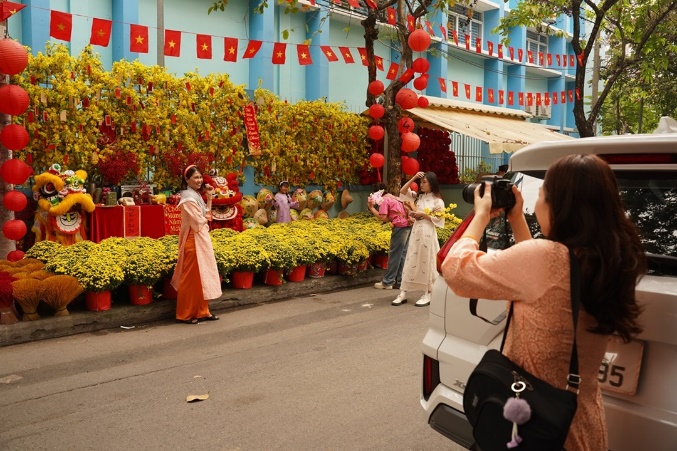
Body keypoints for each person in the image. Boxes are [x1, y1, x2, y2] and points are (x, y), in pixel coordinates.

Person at [441, 154, 646, 450]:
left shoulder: (547, 259)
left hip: (538, 422)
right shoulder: (611, 257)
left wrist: (480, 216)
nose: (537, 204)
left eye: (543, 195)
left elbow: (456, 269)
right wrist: (517, 219)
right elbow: (545, 284)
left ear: (559, 205)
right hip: (579, 417)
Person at [171, 165, 223, 324]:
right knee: (189, 279)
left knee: (202, 277)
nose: (199, 180)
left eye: (200, 177)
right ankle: (184, 314)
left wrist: (209, 197)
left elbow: (207, 215)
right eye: (195, 178)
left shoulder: (195, 195)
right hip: (193, 241)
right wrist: (205, 216)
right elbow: (200, 221)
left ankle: (202, 311)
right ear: (187, 180)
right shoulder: (187, 198)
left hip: (200, 238)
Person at [393, 171, 446, 307]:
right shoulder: (418, 197)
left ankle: (428, 292)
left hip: (428, 232)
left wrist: (423, 215)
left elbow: (440, 219)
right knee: (411, 259)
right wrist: (414, 177)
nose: (421, 185)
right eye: (420, 182)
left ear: (432, 183)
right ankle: (403, 292)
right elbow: (403, 191)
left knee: (427, 261)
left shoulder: (437, 201)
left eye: (424, 182)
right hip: (416, 232)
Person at [367, 183, 412, 290]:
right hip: (408, 225)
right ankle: (399, 281)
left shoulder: (384, 200)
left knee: (395, 254)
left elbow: (383, 218)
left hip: (400, 227)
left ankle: (388, 282)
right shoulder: (395, 198)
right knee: (402, 254)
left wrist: (371, 208)